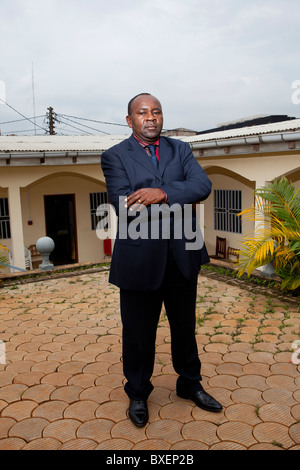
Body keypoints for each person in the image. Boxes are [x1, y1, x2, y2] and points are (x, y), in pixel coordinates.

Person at [101, 93, 222, 427]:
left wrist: (161, 193)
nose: (150, 117)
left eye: (156, 111)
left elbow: (202, 185)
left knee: (185, 327)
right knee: (138, 333)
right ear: (130, 121)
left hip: (183, 253)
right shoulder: (114, 156)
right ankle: (138, 392)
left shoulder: (180, 149)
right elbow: (124, 203)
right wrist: (176, 192)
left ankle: (189, 384)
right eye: (142, 113)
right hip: (140, 259)